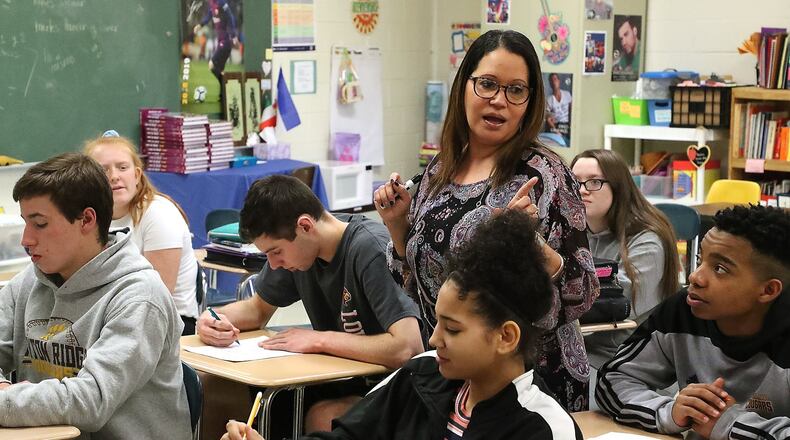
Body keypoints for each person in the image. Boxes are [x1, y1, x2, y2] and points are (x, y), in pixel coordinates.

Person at [374, 29, 599, 412]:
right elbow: (419, 288)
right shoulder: (440, 168)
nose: (499, 101)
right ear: (464, 86)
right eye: (488, 85)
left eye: (516, 90)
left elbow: (585, 291)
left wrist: (535, 247)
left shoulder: (546, 174)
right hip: (452, 374)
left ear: (530, 102)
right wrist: (398, 225)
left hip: (530, 385)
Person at [221, 211, 584, 440]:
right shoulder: (420, 376)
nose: (435, 339)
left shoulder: (543, 428)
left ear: (506, 337)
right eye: (438, 323)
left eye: (453, 329)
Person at [197, 175, 424, 433]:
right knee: (215, 388)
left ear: (305, 226)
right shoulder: (300, 251)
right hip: (330, 380)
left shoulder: (369, 248)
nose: (272, 264)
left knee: (324, 418)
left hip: (390, 388)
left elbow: (408, 347)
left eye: (275, 252)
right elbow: (256, 309)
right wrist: (211, 318)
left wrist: (319, 340)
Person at [0, 153, 191, 438]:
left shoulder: (139, 297)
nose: (26, 239)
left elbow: (90, 400)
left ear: (87, 219)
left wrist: (6, 401)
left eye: (40, 224)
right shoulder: (31, 280)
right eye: (26, 223)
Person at [596, 205, 790, 440]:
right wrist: (671, 412)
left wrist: (729, 424)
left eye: (720, 269)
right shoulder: (684, 311)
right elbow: (613, 380)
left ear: (768, 290)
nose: (695, 277)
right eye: (700, 260)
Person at [571, 149, 680, 369]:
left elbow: (616, 301)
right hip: (582, 346)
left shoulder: (648, 240)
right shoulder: (576, 230)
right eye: (574, 181)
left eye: (594, 182)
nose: (582, 190)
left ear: (618, 187)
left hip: (627, 358)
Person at [85, 133, 200, 335]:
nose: (114, 176)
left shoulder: (159, 214)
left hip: (166, 323)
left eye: (123, 167)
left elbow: (156, 297)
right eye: (103, 170)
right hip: (110, 317)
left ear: (137, 175)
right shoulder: (88, 218)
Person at [194, 0, 240, 103]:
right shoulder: (212, 4)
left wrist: (233, 36)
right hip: (221, 40)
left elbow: (230, 17)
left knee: (211, 65)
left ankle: (227, 85)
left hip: (226, 40)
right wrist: (200, 25)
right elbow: (208, 16)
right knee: (220, 70)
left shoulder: (221, 3)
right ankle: (224, 94)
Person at [545, 73, 572, 140]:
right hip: (556, 125)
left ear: (559, 81)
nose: (554, 82)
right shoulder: (549, 99)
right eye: (551, 80)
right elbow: (548, 119)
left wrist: (571, 125)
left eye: (555, 79)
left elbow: (572, 111)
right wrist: (556, 131)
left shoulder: (567, 94)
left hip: (567, 125)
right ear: (550, 83)